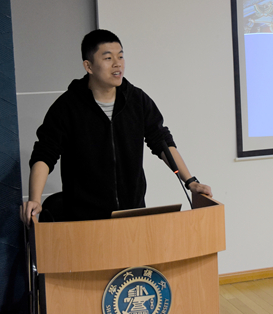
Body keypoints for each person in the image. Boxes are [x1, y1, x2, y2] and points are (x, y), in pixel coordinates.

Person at [20, 29, 211, 224]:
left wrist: (190, 181)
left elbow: (162, 141)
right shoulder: (67, 107)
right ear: (88, 66)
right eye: (108, 58)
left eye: (120, 56)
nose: (117, 63)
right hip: (84, 222)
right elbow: (45, 154)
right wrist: (35, 199)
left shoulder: (137, 100)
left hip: (132, 216)